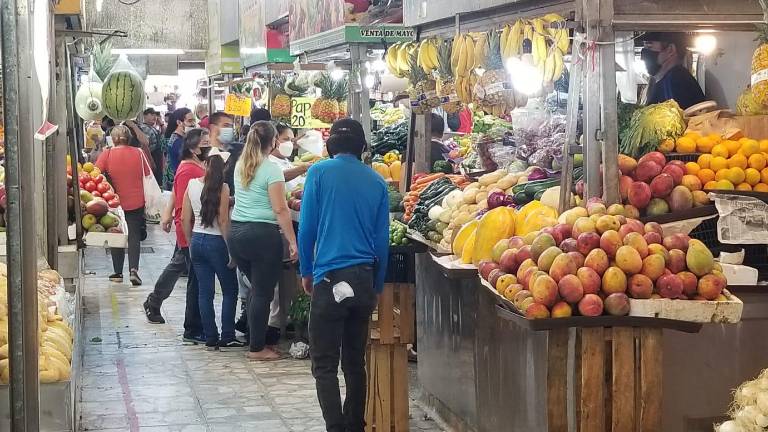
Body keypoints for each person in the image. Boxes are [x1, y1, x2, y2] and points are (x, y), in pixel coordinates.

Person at [298, 119, 389, 432]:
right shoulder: (377, 182)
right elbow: (381, 242)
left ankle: (335, 427)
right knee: (354, 362)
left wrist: (306, 271)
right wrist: (377, 285)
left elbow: (307, 227)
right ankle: (355, 426)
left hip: (330, 279)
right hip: (364, 279)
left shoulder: (318, 173)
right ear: (363, 148)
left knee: (324, 363)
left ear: (329, 147)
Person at [228, 121, 298, 361]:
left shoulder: (241, 165)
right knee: (262, 293)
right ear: (273, 142)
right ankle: (257, 348)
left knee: (256, 290)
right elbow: (280, 209)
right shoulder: (270, 169)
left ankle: (254, 340)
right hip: (262, 236)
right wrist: (292, 241)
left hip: (237, 235)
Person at [143, 129, 210, 344]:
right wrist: (178, 222)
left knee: (179, 264)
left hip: (192, 229)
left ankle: (154, 301)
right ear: (193, 148)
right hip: (190, 229)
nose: (209, 146)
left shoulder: (196, 166)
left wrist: (168, 215)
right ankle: (188, 324)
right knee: (190, 274)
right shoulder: (189, 170)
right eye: (205, 142)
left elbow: (174, 194)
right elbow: (182, 201)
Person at [182, 148, 246, 350]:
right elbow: (224, 220)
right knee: (229, 290)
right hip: (217, 242)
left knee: (204, 292)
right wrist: (232, 250)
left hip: (197, 241)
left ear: (205, 164)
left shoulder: (191, 185)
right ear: (225, 167)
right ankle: (227, 335)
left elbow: (185, 218)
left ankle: (210, 336)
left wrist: (190, 241)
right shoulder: (224, 188)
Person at [95, 125, 152, 286]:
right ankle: (133, 270)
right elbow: (148, 173)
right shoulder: (138, 153)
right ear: (130, 137)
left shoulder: (107, 153)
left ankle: (118, 272)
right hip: (137, 200)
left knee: (116, 233)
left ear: (112, 139)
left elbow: (95, 173)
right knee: (134, 235)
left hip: (114, 201)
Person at [641, 32, 706, 110]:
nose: (643, 56)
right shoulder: (670, 79)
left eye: (649, 46)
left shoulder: (676, 81)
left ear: (670, 50)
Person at [164, 107, 195, 191]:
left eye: (194, 120)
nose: (193, 124)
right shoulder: (178, 141)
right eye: (189, 121)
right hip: (179, 180)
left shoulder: (178, 138)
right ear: (179, 122)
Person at [139, 108, 164, 186]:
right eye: (151, 114)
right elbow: (145, 146)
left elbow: (163, 135)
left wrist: (161, 124)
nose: (154, 117)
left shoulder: (153, 128)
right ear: (145, 116)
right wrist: (151, 161)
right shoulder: (144, 128)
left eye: (155, 115)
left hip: (157, 158)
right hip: (152, 158)